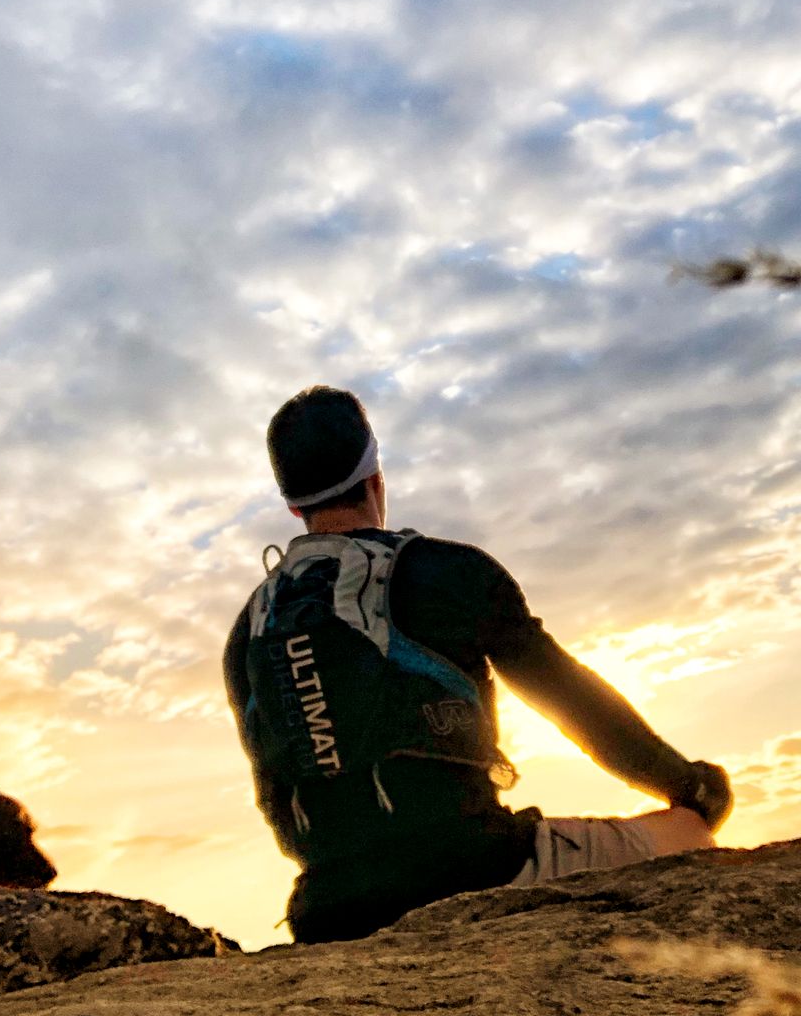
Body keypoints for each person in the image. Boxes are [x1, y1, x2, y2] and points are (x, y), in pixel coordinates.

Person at [223, 386, 733, 943]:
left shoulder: (247, 632)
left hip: (329, 912)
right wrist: (692, 786)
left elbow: (274, 789)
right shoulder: (449, 571)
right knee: (686, 836)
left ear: (293, 505)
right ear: (376, 478)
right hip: (481, 872)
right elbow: (572, 703)